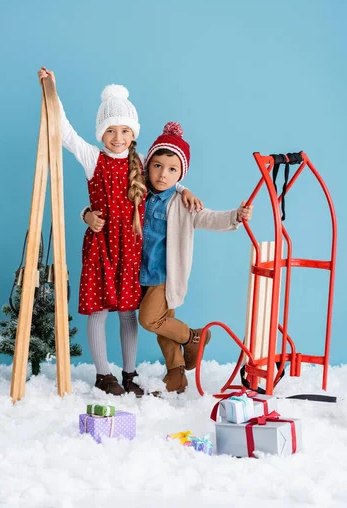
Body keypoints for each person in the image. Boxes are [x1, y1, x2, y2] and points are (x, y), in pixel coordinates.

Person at [37, 68, 201, 396]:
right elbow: (64, 132)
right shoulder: (93, 158)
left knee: (128, 313)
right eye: (111, 130)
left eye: (125, 130)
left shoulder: (139, 161)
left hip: (130, 249)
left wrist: (183, 188)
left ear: (133, 132)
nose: (118, 137)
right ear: (101, 133)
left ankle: (129, 373)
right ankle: (103, 374)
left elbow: (163, 173)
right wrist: (51, 89)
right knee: (98, 312)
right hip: (101, 248)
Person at [85, 121, 253, 393]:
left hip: (164, 275)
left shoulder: (182, 204)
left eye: (172, 170)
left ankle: (193, 337)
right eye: (157, 166)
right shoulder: (138, 192)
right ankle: (176, 375)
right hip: (136, 273)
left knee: (150, 319)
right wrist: (86, 214)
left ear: (180, 175)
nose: (163, 175)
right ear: (146, 166)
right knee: (165, 325)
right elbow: (110, 202)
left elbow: (208, 217)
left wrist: (235, 215)